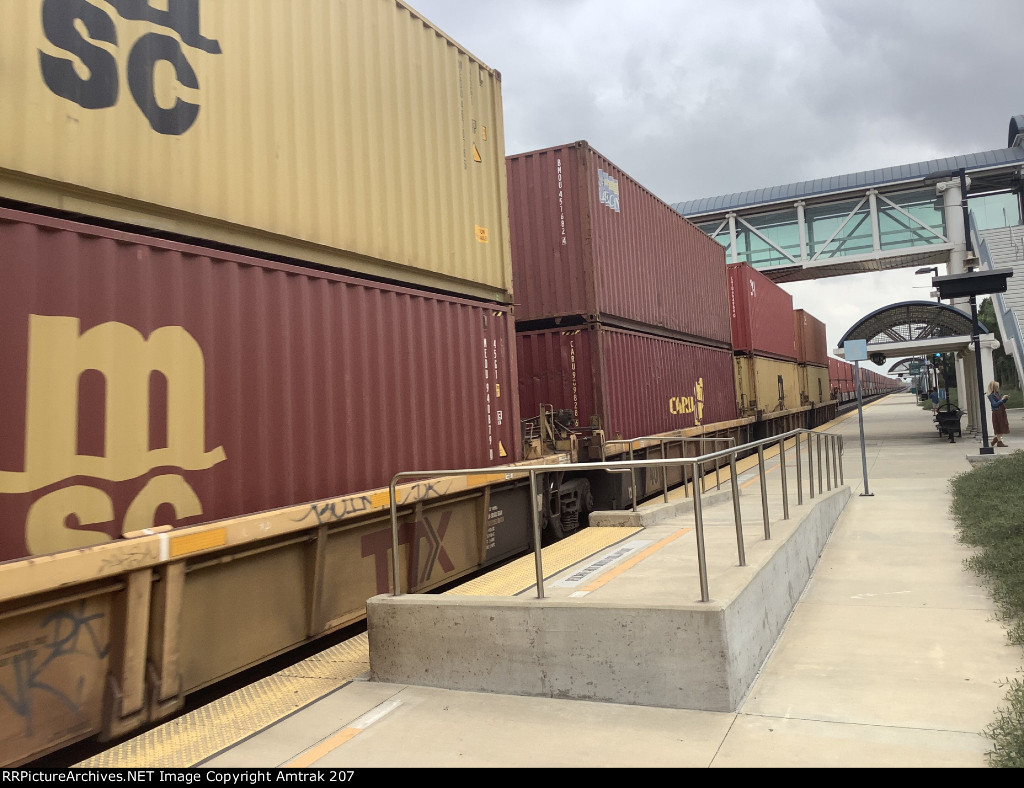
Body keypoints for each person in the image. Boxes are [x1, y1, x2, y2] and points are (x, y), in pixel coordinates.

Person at [987, 381, 1010, 447]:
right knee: (999, 426)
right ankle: (998, 441)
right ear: (994, 387)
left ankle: (997, 440)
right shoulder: (991, 395)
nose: (998, 388)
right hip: (997, 412)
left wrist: (1005, 399)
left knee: (1003, 425)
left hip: (1001, 411)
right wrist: (1002, 399)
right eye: (997, 386)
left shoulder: (997, 394)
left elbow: (1001, 402)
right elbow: (994, 404)